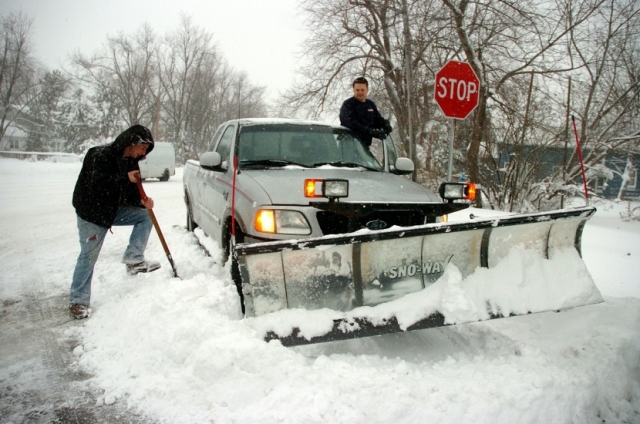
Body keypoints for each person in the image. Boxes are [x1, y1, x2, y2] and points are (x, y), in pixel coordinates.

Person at [69, 124, 161, 319]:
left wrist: (141, 201)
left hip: (111, 210)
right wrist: (124, 178)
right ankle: (78, 300)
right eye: (143, 148)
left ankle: (134, 259)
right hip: (92, 214)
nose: (143, 153)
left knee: (144, 217)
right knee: (88, 256)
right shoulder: (99, 155)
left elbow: (128, 192)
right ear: (133, 142)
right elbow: (97, 187)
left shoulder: (131, 161)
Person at [339, 77, 393, 147]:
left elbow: (377, 120)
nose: (360, 92)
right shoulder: (348, 105)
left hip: (364, 148)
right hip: (348, 145)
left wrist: (385, 124)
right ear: (353, 90)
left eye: (362, 90)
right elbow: (350, 123)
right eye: (357, 90)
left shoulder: (370, 105)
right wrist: (370, 131)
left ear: (367, 90)